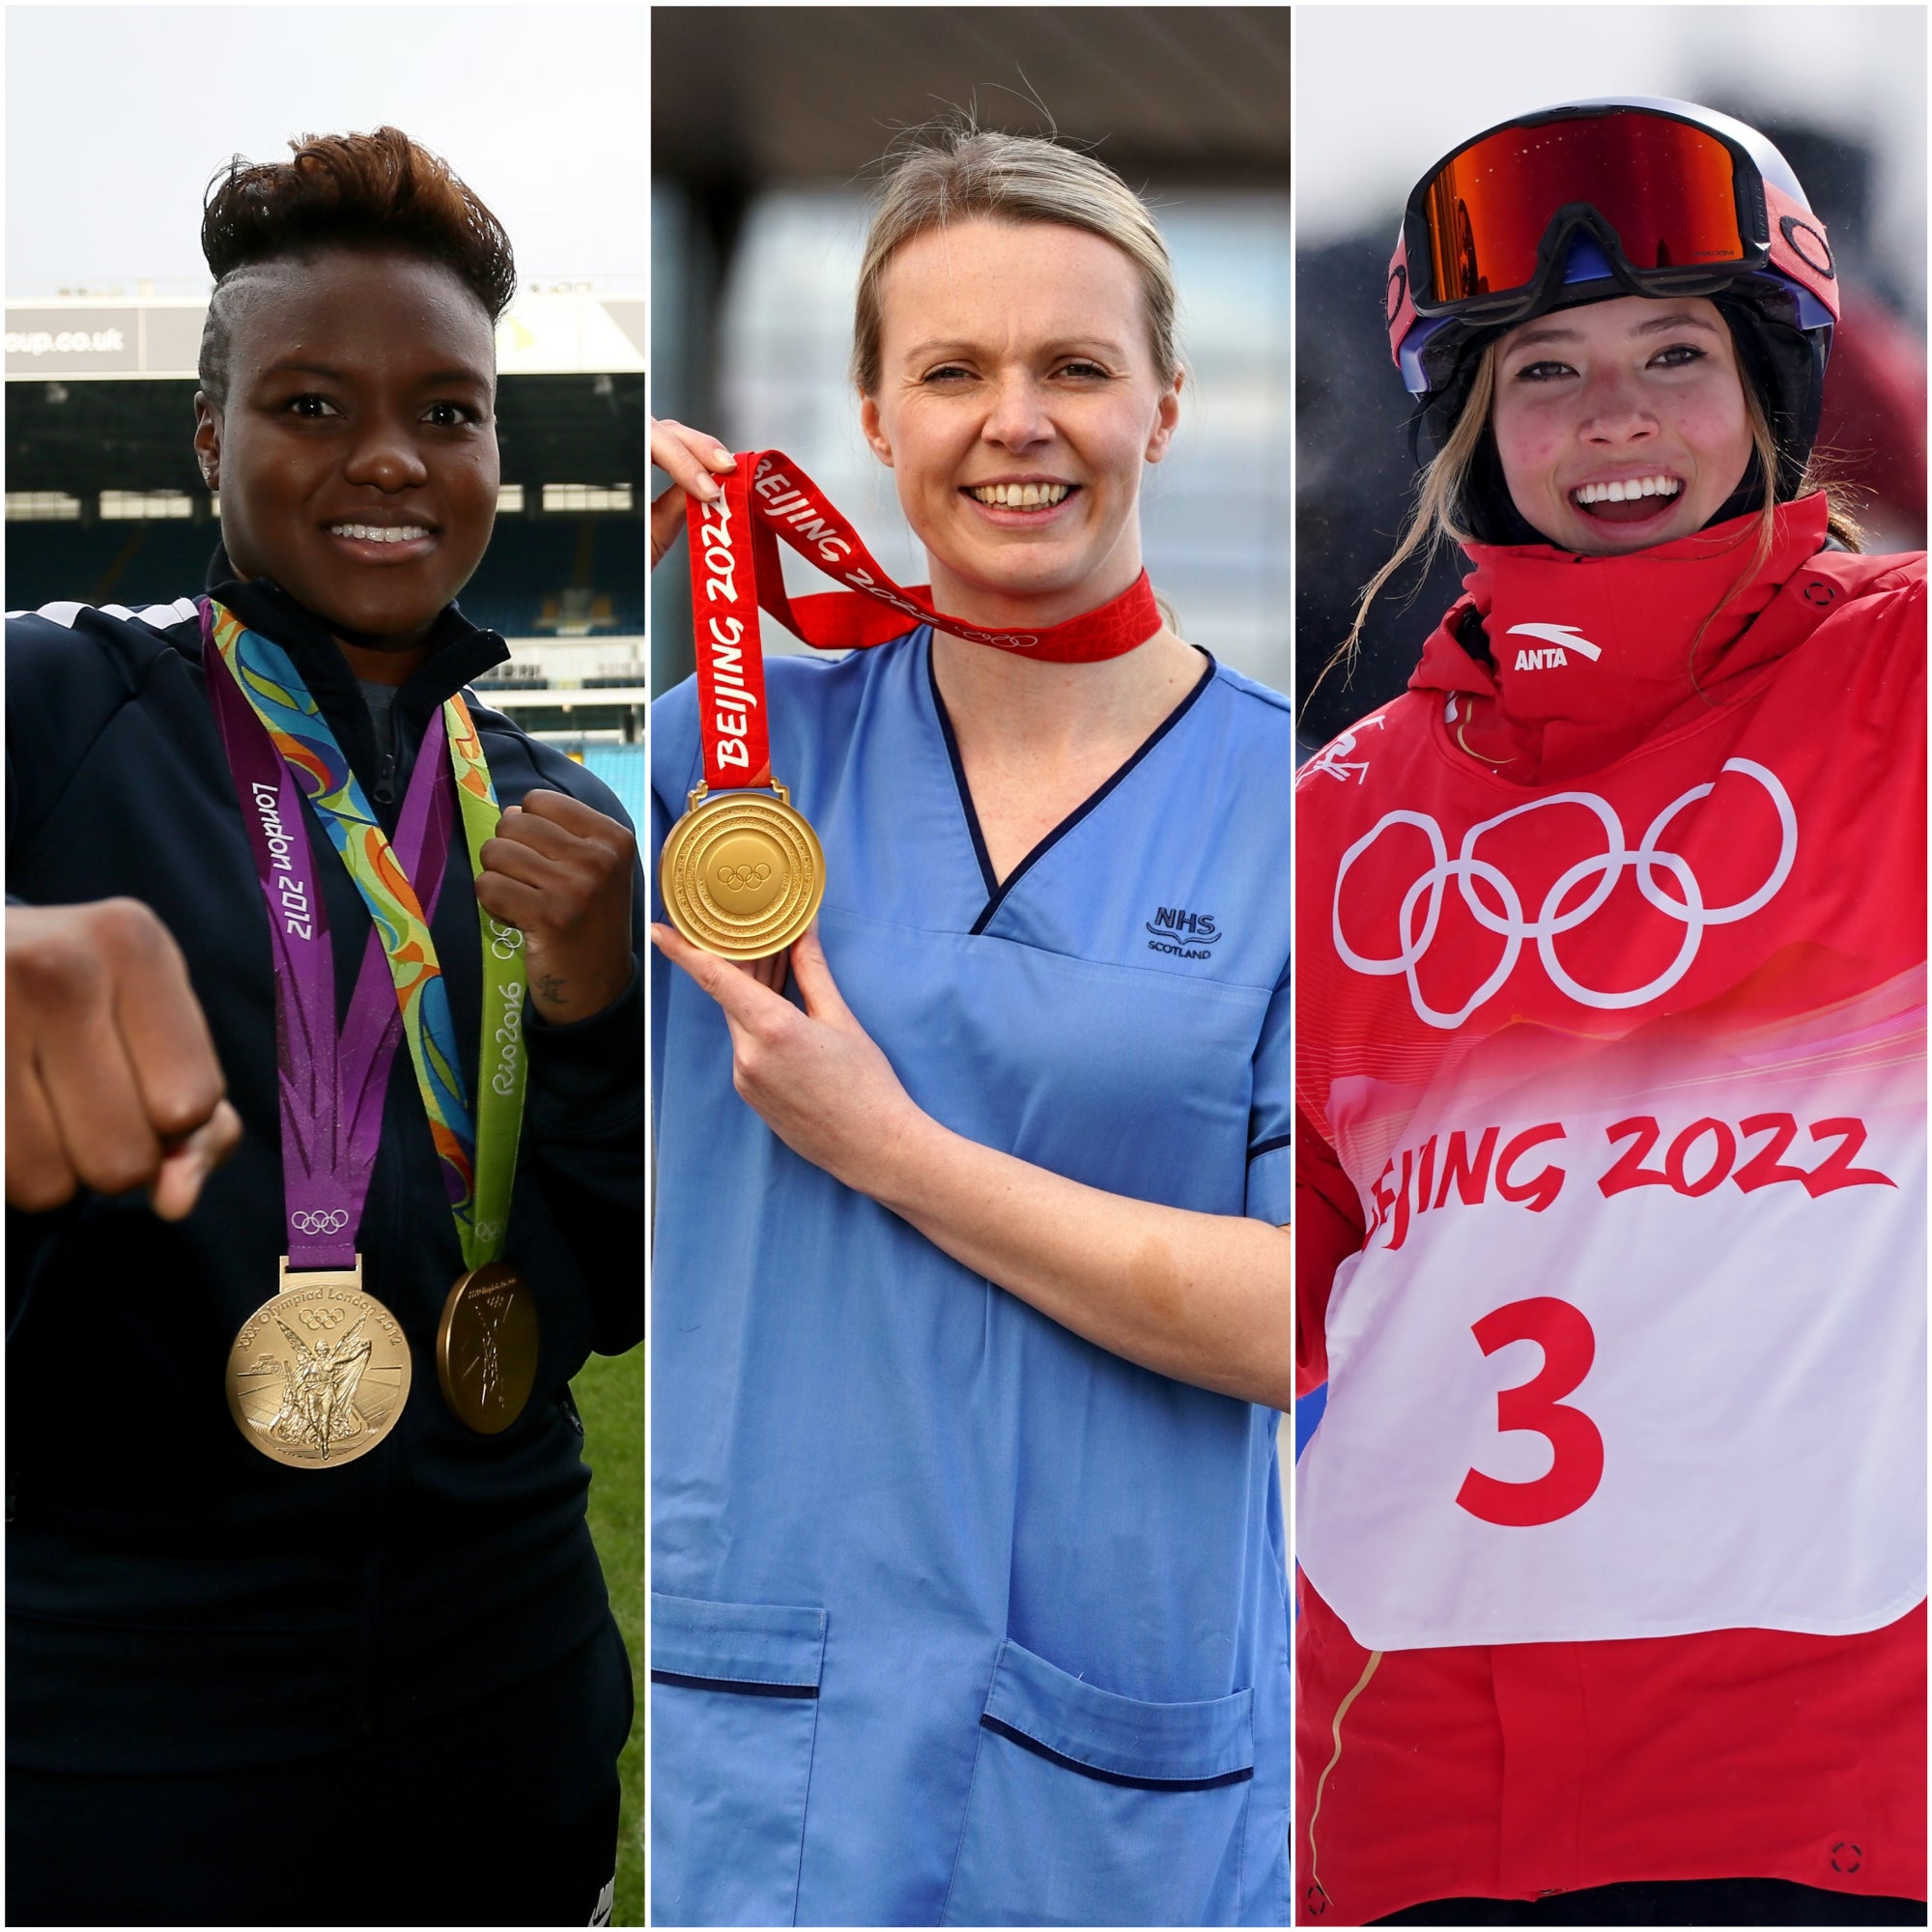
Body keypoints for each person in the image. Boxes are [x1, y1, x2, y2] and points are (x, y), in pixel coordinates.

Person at [648, 127, 1292, 1927]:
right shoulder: (719, 746)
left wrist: (891, 1148)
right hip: (760, 1748)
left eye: (1076, 366)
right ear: (870, 413)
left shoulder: (1294, 809)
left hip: (1116, 1777)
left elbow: (1298, 1314)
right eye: (952, 371)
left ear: (1166, 402)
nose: (1016, 420)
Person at [1294, 99, 1925, 1926]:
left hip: (1814, 1793)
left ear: (1782, 392)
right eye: (1545, 372)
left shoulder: (1899, 683)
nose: (1618, 419)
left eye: (1679, 352)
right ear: (1473, 431)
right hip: (1407, 1804)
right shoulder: (1344, 818)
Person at [6, 128, 644, 1926]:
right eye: (311, 403)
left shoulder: (549, 814)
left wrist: (594, 1026)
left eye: (449, 414)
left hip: (507, 1735)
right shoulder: (52, 697)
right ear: (209, 437)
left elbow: (605, 1286)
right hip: (112, 1757)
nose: (389, 459)